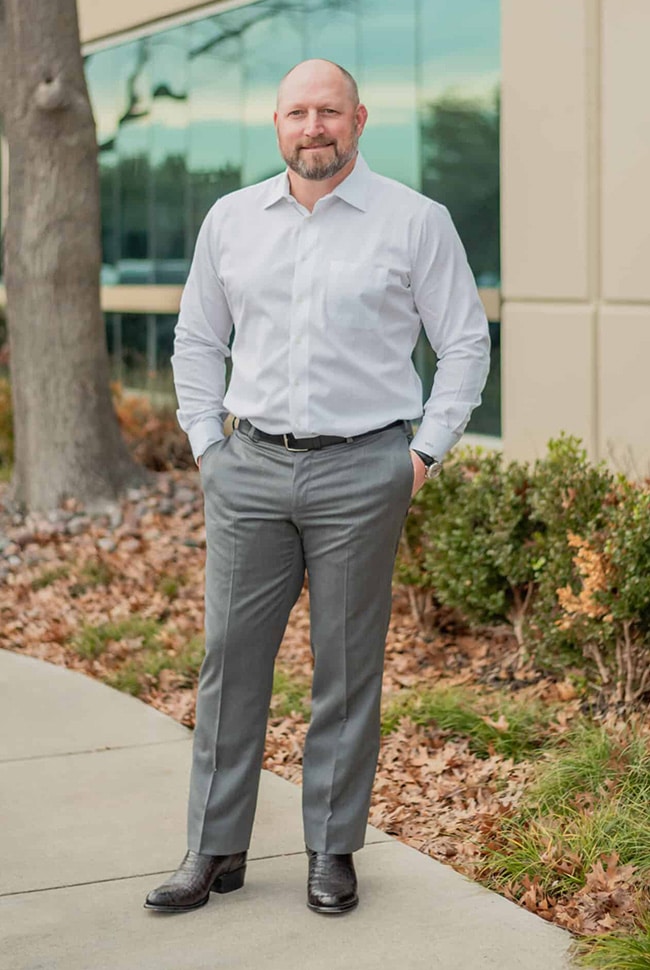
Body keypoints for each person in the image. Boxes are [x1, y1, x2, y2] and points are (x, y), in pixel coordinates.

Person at [145, 58, 490, 916]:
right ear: (276, 125)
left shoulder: (414, 221)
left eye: (328, 112)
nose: (313, 128)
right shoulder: (232, 221)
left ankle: (332, 849)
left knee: (344, 671)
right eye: (297, 113)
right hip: (249, 466)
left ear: (360, 119)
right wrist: (204, 447)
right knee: (229, 665)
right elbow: (195, 340)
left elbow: (466, 345)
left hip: (362, 471)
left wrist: (422, 455)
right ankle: (214, 849)